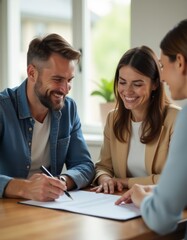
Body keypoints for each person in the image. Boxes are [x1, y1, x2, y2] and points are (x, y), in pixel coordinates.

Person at [0, 33, 95, 201]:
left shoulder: (69, 109)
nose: (65, 89)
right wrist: (25, 188)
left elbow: (85, 165)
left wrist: (61, 182)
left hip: (48, 210)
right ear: (31, 73)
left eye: (69, 80)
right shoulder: (2, 108)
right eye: (58, 79)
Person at [115, 19, 187, 238]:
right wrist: (153, 190)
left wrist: (141, 197)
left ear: (181, 63)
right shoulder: (115, 119)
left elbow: (162, 217)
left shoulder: (182, 118)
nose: (163, 76)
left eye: (163, 66)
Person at [91, 45, 180, 194]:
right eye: (122, 82)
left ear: (155, 84)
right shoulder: (113, 118)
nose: (127, 91)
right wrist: (105, 179)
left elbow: (175, 178)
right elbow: (103, 167)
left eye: (137, 84)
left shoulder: (176, 119)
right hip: (120, 201)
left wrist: (125, 182)